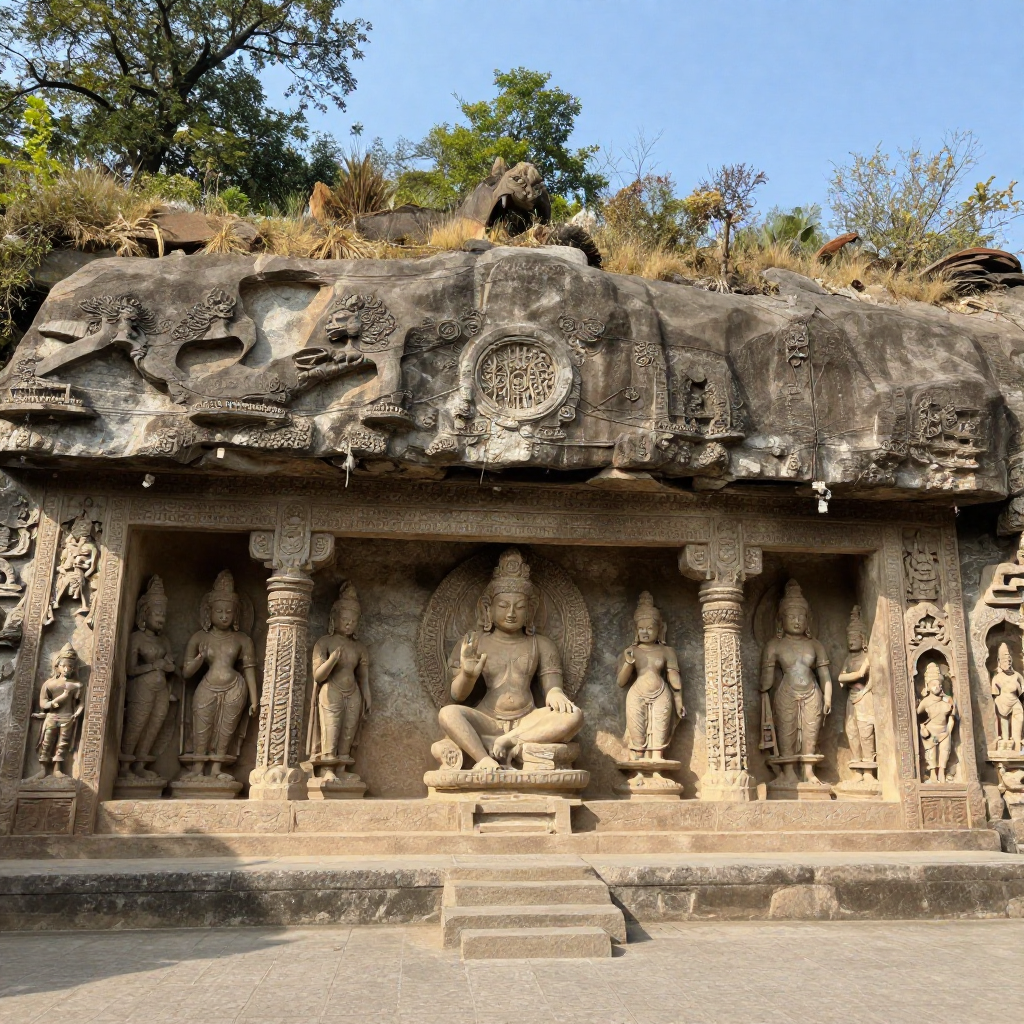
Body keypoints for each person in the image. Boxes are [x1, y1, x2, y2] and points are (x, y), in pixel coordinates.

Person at [438, 548, 583, 769]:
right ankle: (485, 759)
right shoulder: (474, 642)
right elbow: (457, 695)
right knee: (448, 714)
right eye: (504, 606)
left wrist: (556, 693)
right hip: (488, 718)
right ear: (488, 609)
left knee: (574, 716)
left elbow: (553, 688)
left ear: (530, 611)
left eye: (520, 606)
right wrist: (467, 674)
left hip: (528, 720)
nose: (511, 613)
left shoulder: (542, 644)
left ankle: (511, 742)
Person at [182, 570, 257, 780]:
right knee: (202, 726)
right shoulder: (200, 638)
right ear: (209, 612)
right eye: (219, 611)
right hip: (207, 686)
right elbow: (186, 672)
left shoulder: (242, 639)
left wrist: (254, 698)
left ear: (236, 614)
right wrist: (199, 659)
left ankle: (217, 767)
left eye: (229, 612)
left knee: (226, 730)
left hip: (235, 687)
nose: (224, 616)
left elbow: (249, 668)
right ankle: (197, 767)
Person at [759, 579, 832, 785]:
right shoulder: (774, 645)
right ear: (780, 621)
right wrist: (764, 688)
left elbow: (825, 675)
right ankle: (788, 771)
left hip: (812, 693)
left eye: (801, 616)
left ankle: (809, 772)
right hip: (786, 692)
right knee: (786, 730)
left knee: (811, 730)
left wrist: (827, 698)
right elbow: (767, 678)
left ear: (808, 620)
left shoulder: (815, 645)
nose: (797, 620)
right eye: (791, 616)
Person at [308, 582, 370, 780]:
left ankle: (342, 769)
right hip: (331, 691)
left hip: (353, 693)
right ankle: (327, 769)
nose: (349, 623)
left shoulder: (359, 647)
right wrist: (332, 660)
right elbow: (318, 676)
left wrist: (367, 697)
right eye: (345, 619)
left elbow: (364, 678)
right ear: (334, 619)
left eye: (353, 620)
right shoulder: (324, 643)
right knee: (331, 728)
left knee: (348, 731)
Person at [120, 576, 176, 779]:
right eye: (157, 612)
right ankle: (125, 767)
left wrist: (169, 666)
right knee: (137, 724)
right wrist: (154, 665)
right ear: (145, 613)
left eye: (164, 613)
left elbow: (171, 665)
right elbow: (129, 669)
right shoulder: (137, 638)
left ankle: (140, 764)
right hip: (141, 687)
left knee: (155, 724)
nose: (162, 617)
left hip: (161, 689)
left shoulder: (164, 640)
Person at [617, 591, 684, 761]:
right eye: (641, 628)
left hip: (661, 694)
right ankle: (639, 772)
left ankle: (657, 770)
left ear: (660, 629)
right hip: (637, 694)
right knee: (638, 738)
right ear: (636, 630)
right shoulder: (632, 651)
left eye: (650, 628)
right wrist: (628, 663)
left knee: (659, 739)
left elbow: (674, 677)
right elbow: (621, 682)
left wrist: (679, 701)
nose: (645, 632)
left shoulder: (666, 651)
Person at [30, 643, 83, 779]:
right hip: (52, 717)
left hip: (67, 717)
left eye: (70, 666)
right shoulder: (49, 684)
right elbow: (43, 704)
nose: (66, 669)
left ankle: (57, 768)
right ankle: (42, 769)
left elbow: (80, 702)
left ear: (74, 668)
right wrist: (59, 699)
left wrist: (78, 711)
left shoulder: (77, 685)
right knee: (46, 742)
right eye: (63, 666)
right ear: (57, 667)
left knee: (63, 743)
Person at [837, 605, 876, 778]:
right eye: (848, 637)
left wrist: (863, 686)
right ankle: (856, 770)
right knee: (851, 731)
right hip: (852, 698)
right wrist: (859, 673)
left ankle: (868, 770)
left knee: (866, 731)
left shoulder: (868, 658)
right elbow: (840, 678)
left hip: (865, 697)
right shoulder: (849, 659)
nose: (851, 641)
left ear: (863, 639)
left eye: (854, 637)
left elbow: (875, 679)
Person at [918, 662, 958, 783]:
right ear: (927, 686)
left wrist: (948, 732)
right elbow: (918, 714)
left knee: (945, 751)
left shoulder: (947, 701)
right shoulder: (925, 702)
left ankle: (942, 771)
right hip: (931, 731)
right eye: (934, 684)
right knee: (931, 751)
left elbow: (951, 718)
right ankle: (932, 773)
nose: (937, 686)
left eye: (939, 684)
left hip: (944, 729)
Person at [990, 643, 1024, 751]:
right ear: (999, 662)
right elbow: (994, 692)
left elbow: (1022, 689)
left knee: (1020, 716)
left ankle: (1018, 742)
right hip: (1002, 702)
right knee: (1004, 723)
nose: (1007, 663)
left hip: (1015, 700)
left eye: (1009, 661)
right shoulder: (997, 678)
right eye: (1005, 661)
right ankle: (1006, 741)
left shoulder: (1017, 675)